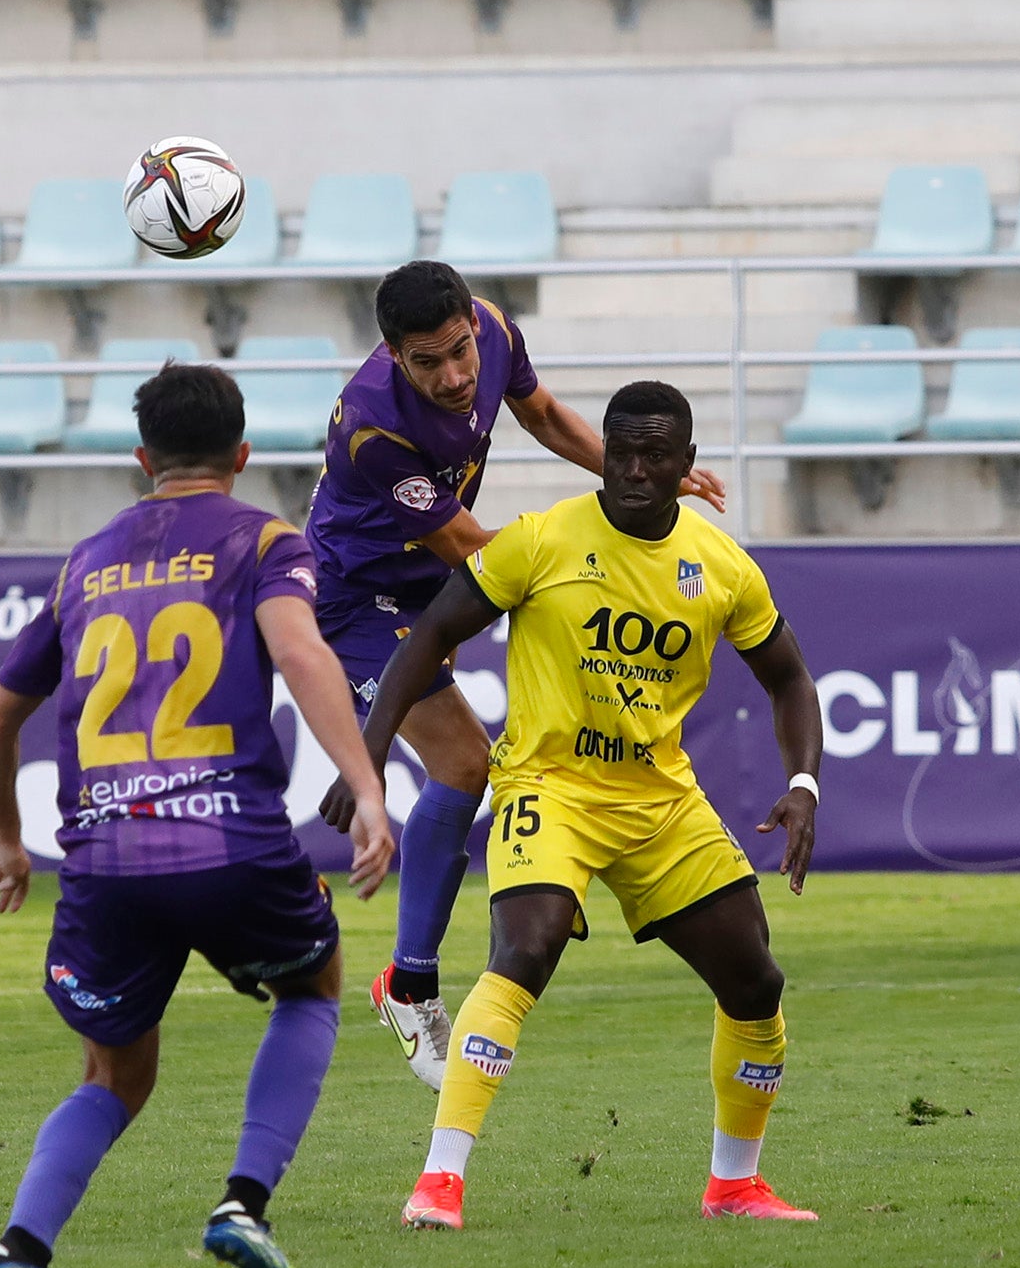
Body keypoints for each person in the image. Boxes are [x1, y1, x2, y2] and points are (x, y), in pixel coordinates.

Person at [322, 380, 821, 1229]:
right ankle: (440, 1180)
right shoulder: (542, 540)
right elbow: (433, 632)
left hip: (660, 800)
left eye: (654, 455)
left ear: (686, 465)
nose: (632, 469)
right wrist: (366, 751)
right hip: (549, 787)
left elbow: (789, 678)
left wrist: (803, 782)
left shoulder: (722, 567)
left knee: (756, 977)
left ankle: (733, 1185)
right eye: (619, 451)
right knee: (528, 944)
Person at [0, 363, 394, 1268]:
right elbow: (298, 649)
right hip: (231, 840)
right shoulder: (264, 538)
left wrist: (5, 835)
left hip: (106, 856)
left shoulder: (84, 561)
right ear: (243, 456)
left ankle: (22, 1246)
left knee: (116, 1072)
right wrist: (365, 789)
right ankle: (243, 1202)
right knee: (312, 985)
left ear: (140, 460)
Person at [307, 261, 726, 1090]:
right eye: (428, 364)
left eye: (460, 351)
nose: (456, 376)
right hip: (361, 596)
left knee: (485, 757)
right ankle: (410, 981)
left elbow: (539, 413)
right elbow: (469, 546)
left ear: (473, 322)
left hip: (430, 578)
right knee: (466, 761)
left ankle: (525, 886)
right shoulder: (373, 427)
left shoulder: (495, 327)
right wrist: (597, 549)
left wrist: (636, 472)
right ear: (393, 355)